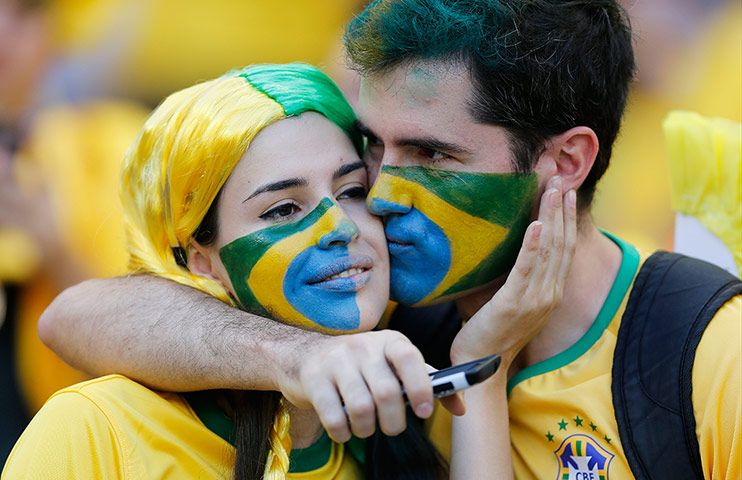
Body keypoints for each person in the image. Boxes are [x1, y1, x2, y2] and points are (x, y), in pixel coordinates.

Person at [37, 1, 740, 479]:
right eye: (375, 147)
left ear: (565, 162)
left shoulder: (711, 357)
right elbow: (77, 318)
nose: (379, 196)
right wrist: (304, 358)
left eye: (433, 156)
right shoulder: (377, 311)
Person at [3, 63, 573, 479]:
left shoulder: (420, 414)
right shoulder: (96, 430)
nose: (340, 227)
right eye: (282, 209)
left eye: (352, 191)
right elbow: (66, 317)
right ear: (202, 261)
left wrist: (484, 364)